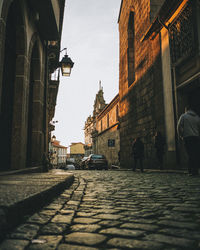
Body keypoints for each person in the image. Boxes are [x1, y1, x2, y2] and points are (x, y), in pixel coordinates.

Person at [177, 106, 200, 176]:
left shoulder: (183, 116)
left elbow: (179, 126)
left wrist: (181, 135)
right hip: (196, 137)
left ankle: (191, 171)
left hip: (188, 137)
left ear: (186, 109)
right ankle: (194, 170)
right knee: (195, 154)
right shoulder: (197, 117)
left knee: (190, 154)